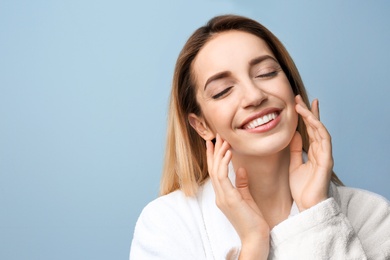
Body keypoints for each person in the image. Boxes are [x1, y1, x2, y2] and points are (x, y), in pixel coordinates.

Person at [130, 15, 390, 259]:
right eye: (222, 91)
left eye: (266, 73)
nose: (255, 96)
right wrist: (253, 245)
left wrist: (316, 213)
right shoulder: (167, 224)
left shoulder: (371, 215)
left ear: (291, 86)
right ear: (201, 126)